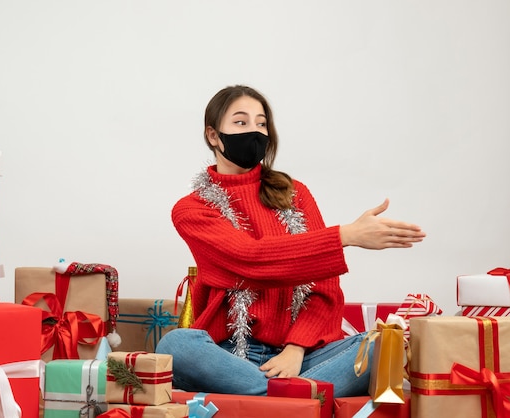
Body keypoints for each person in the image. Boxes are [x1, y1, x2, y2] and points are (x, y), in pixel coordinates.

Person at [155, 85, 425, 397]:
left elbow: (325, 288)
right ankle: (294, 398)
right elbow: (250, 259)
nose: (254, 131)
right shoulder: (192, 209)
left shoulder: (294, 193)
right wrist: (345, 236)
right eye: (241, 123)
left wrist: (296, 350)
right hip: (229, 356)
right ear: (214, 136)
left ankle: (275, 398)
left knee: (380, 346)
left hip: (304, 358)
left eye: (261, 123)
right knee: (176, 345)